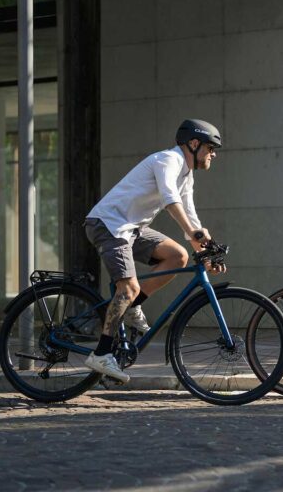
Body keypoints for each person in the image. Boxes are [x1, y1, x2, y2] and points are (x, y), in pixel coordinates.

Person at [82, 119, 224, 383]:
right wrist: (194, 234)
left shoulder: (186, 174)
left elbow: (190, 216)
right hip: (108, 225)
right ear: (193, 144)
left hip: (131, 229)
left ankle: (132, 306)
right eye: (210, 148)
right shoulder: (167, 161)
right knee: (128, 287)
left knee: (178, 256)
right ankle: (101, 353)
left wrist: (206, 251)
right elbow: (171, 200)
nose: (213, 154)